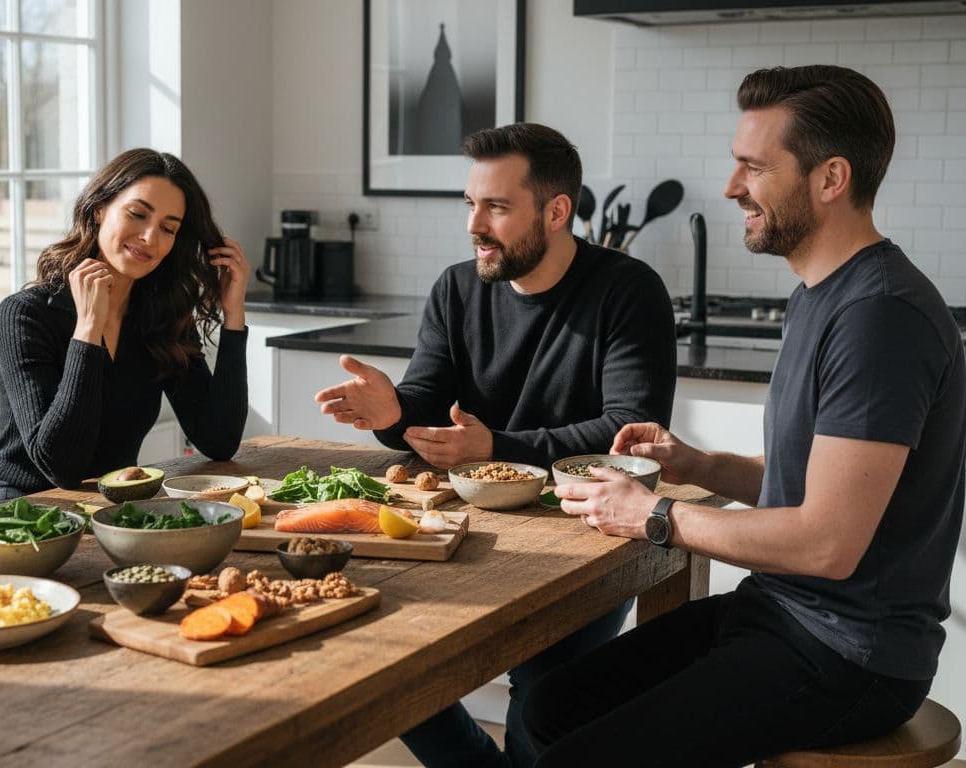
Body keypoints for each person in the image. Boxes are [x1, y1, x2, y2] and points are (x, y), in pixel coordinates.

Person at [526, 65, 965, 768]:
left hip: (853, 654)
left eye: (754, 167)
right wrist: (698, 465)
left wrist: (654, 516)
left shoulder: (879, 315)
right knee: (548, 707)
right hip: (785, 613)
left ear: (830, 179)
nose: (732, 188)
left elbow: (828, 542)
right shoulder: (821, 294)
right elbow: (814, 483)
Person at [314, 123, 677, 768]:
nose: (474, 224)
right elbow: (429, 406)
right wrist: (392, 411)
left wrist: (496, 445)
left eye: (497, 207)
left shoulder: (628, 290)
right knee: (390, 668)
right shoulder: (457, 288)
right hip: (467, 527)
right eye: (470, 204)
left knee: (543, 704)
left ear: (557, 210)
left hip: (589, 531)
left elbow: (633, 429)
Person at [0, 148, 249, 502]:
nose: (150, 237)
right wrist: (88, 330)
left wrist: (234, 317)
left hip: (113, 513)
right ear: (99, 208)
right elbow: (63, 467)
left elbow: (219, 441)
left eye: (168, 228)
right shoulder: (25, 315)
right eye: (137, 214)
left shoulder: (162, 317)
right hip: (19, 516)